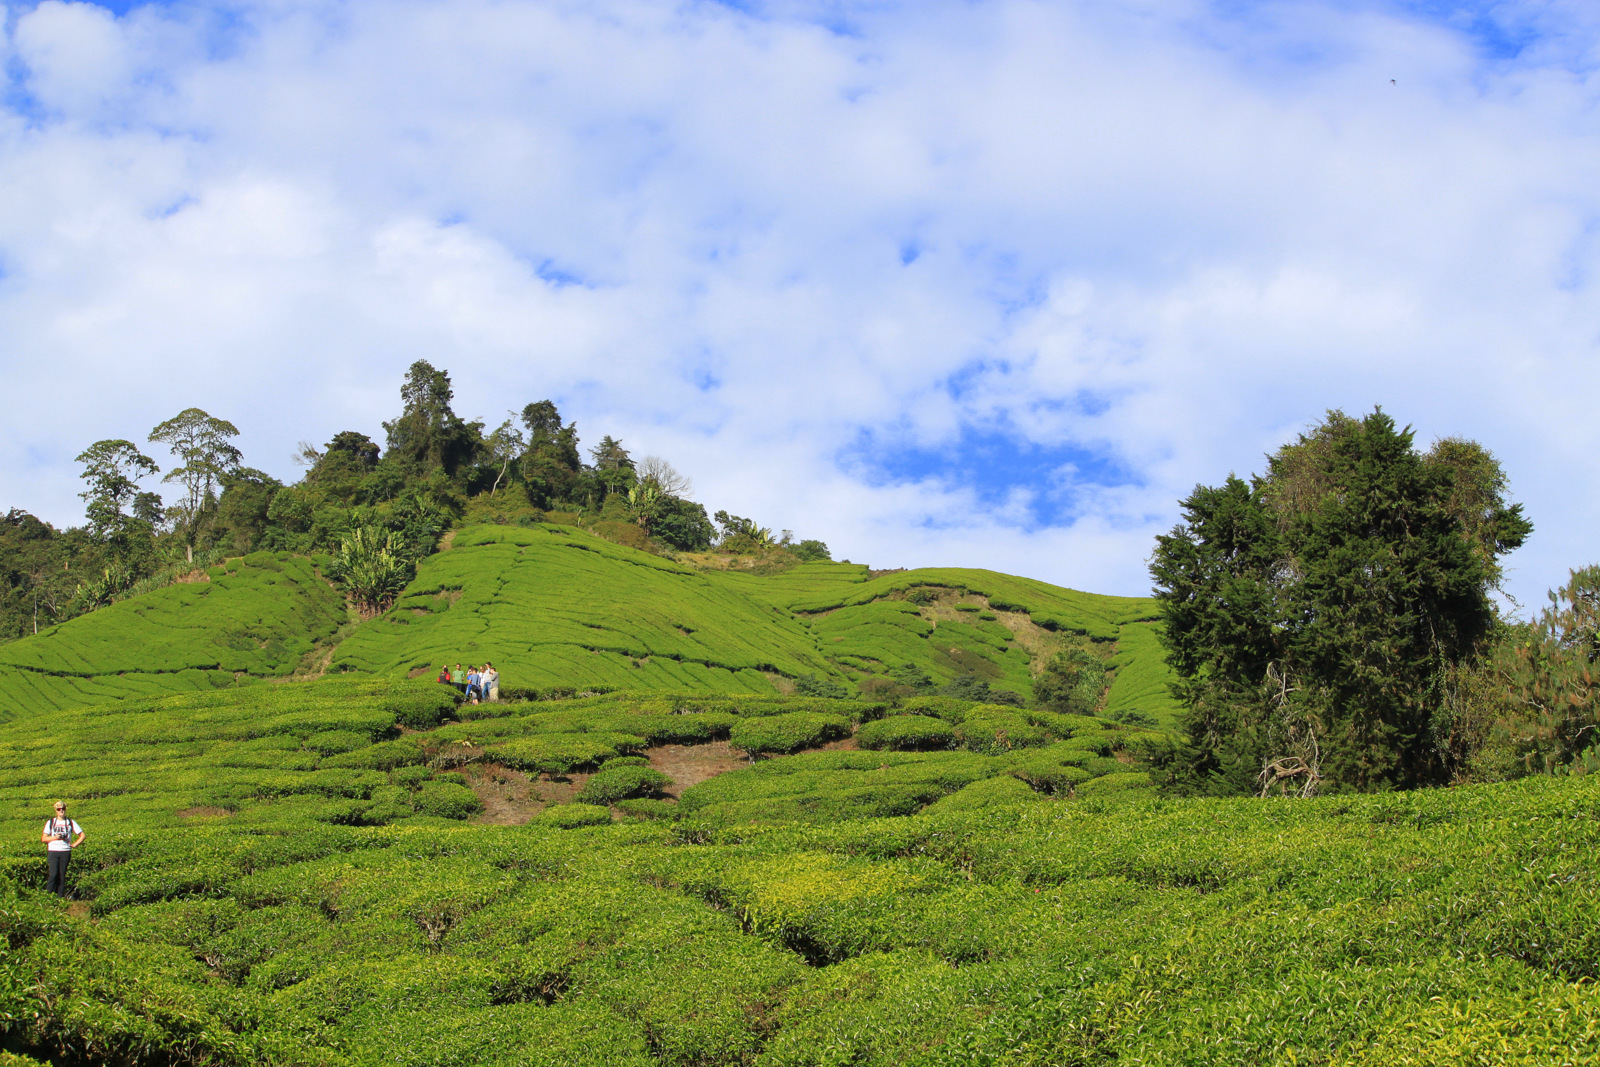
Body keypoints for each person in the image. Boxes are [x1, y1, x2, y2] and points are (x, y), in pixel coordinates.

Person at [40, 801, 84, 899]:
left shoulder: (70, 822)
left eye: (63, 809)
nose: (61, 811)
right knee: (53, 874)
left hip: (65, 851)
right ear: (56, 811)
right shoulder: (50, 822)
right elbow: (44, 839)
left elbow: (82, 835)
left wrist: (74, 844)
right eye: (59, 809)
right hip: (53, 850)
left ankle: (59, 897)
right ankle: (48, 897)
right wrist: (55, 837)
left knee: (62, 875)